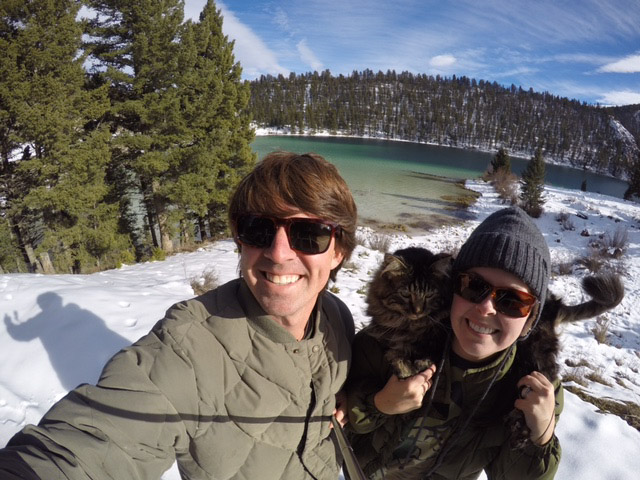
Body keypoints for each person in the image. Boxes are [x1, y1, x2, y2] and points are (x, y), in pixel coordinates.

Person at [0, 151, 358, 480]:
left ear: (339, 251)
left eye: (309, 234)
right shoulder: (187, 346)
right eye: (259, 230)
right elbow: (93, 443)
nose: (279, 254)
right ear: (240, 239)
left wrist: (355, 397)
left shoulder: (337, 318)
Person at [346, 207, 562, 479]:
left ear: (531, 319)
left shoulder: (532, 386)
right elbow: (338, 426)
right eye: (474, 286)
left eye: (511, 301)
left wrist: (540, 435)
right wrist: (379, 404)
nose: (486, 308)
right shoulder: (384, 344)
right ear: (452, 289)